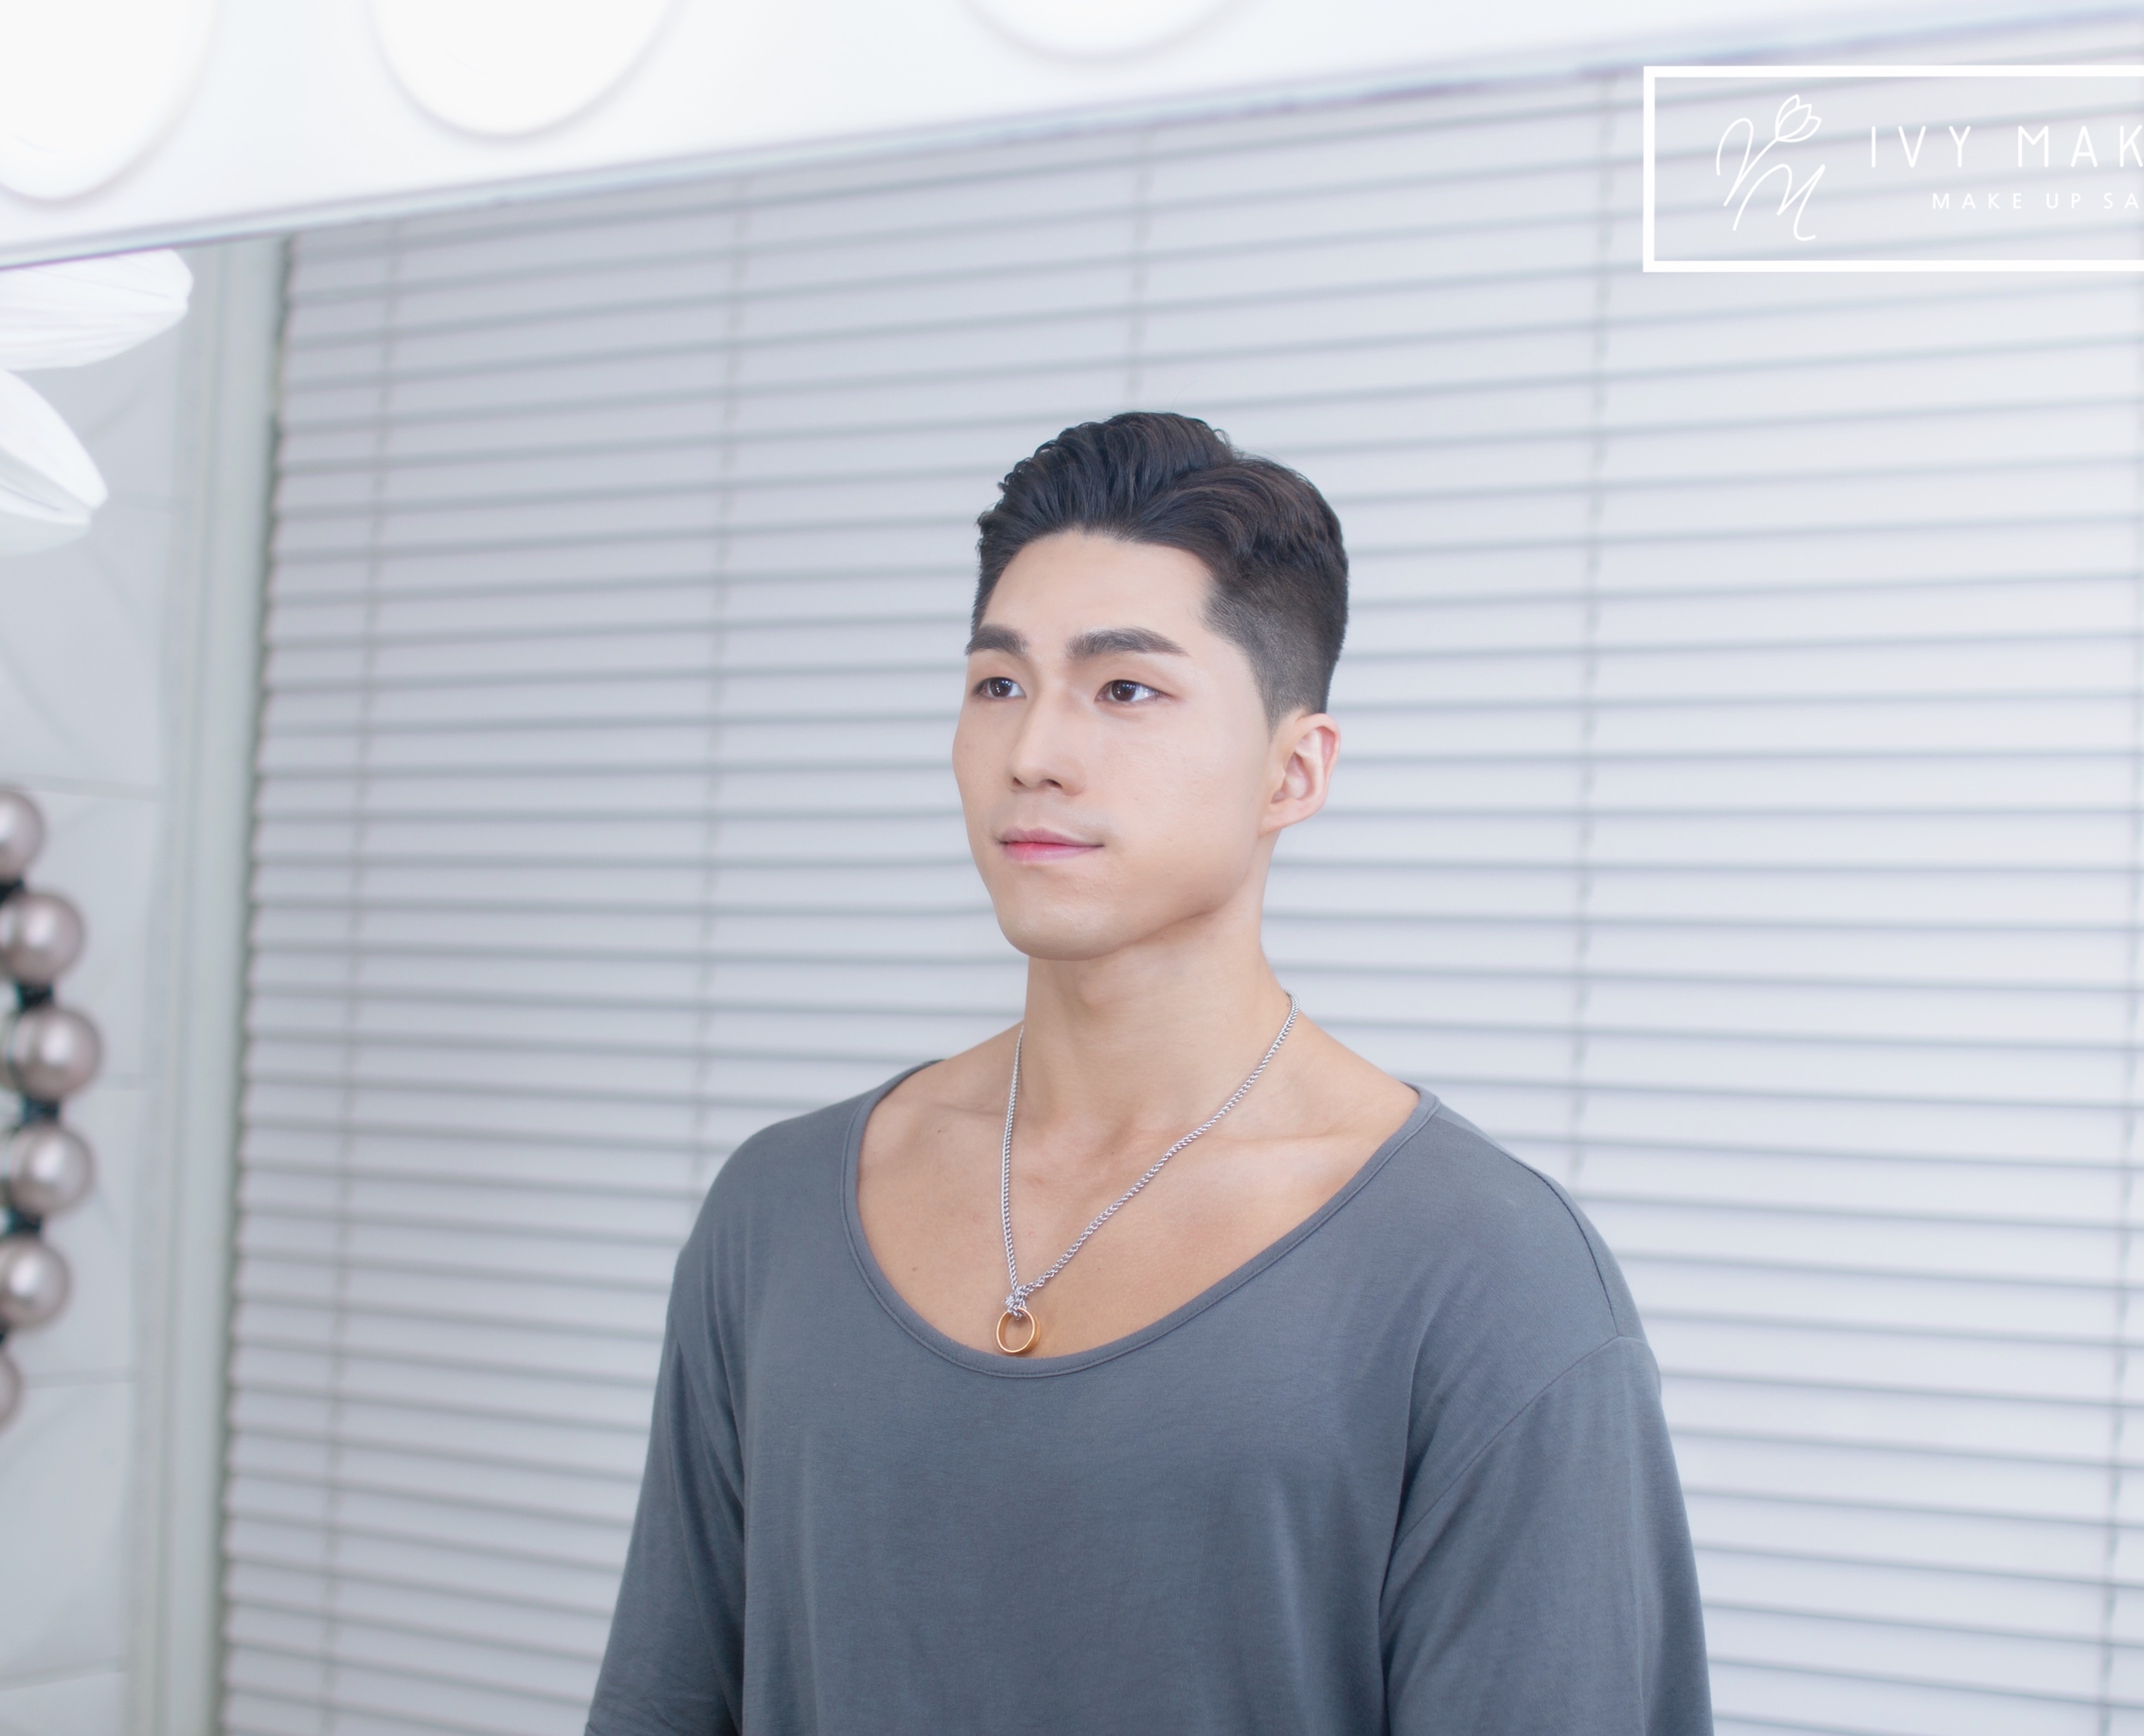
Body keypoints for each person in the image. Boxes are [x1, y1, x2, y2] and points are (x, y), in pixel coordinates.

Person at [586, 413, 1710, 1735]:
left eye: (1124, 689)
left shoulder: (1485, 1275)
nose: (1033, 753)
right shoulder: (775, 1211)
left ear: (1292, 771)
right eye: (997, 684)